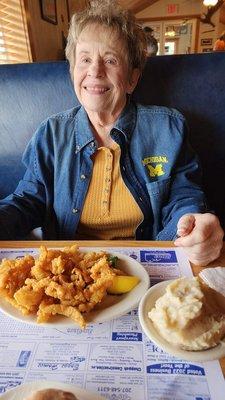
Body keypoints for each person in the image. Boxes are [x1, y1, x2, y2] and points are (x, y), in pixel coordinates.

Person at [0, 0, 223, 265]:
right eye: (84, 59)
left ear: (132, 79)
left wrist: (191, 229)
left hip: (144, 268)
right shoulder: (51, 133)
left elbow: (183, 198)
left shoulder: (168, 129)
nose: (95, 71)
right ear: (73, 71)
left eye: (110, 59)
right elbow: (28, 199)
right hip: (70, 270)